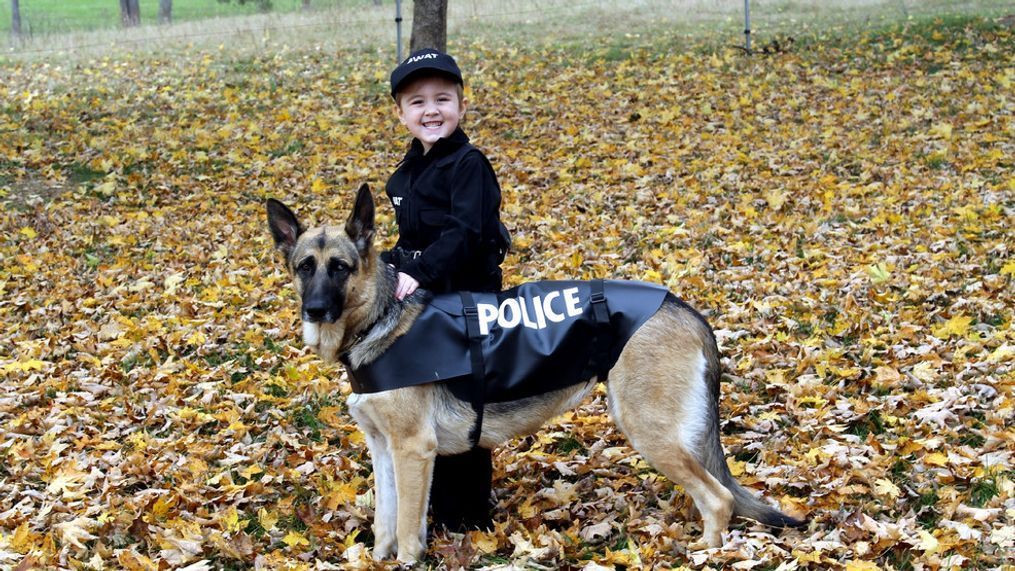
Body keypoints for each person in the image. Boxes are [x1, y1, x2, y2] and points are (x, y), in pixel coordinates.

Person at [380, 47, 510, 531]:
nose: (430, 110)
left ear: (461, 105)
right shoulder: (406, 174)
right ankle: (431, 502)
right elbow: (408, 241)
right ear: (401, 114)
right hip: (427, 304)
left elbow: (464, 232)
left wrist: (423, 271)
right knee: (426, 398)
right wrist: (387, 266)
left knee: (464, 401)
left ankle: (469, 515)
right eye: (417, 102)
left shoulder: (468, 164)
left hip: (469, 300)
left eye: (442, 99)